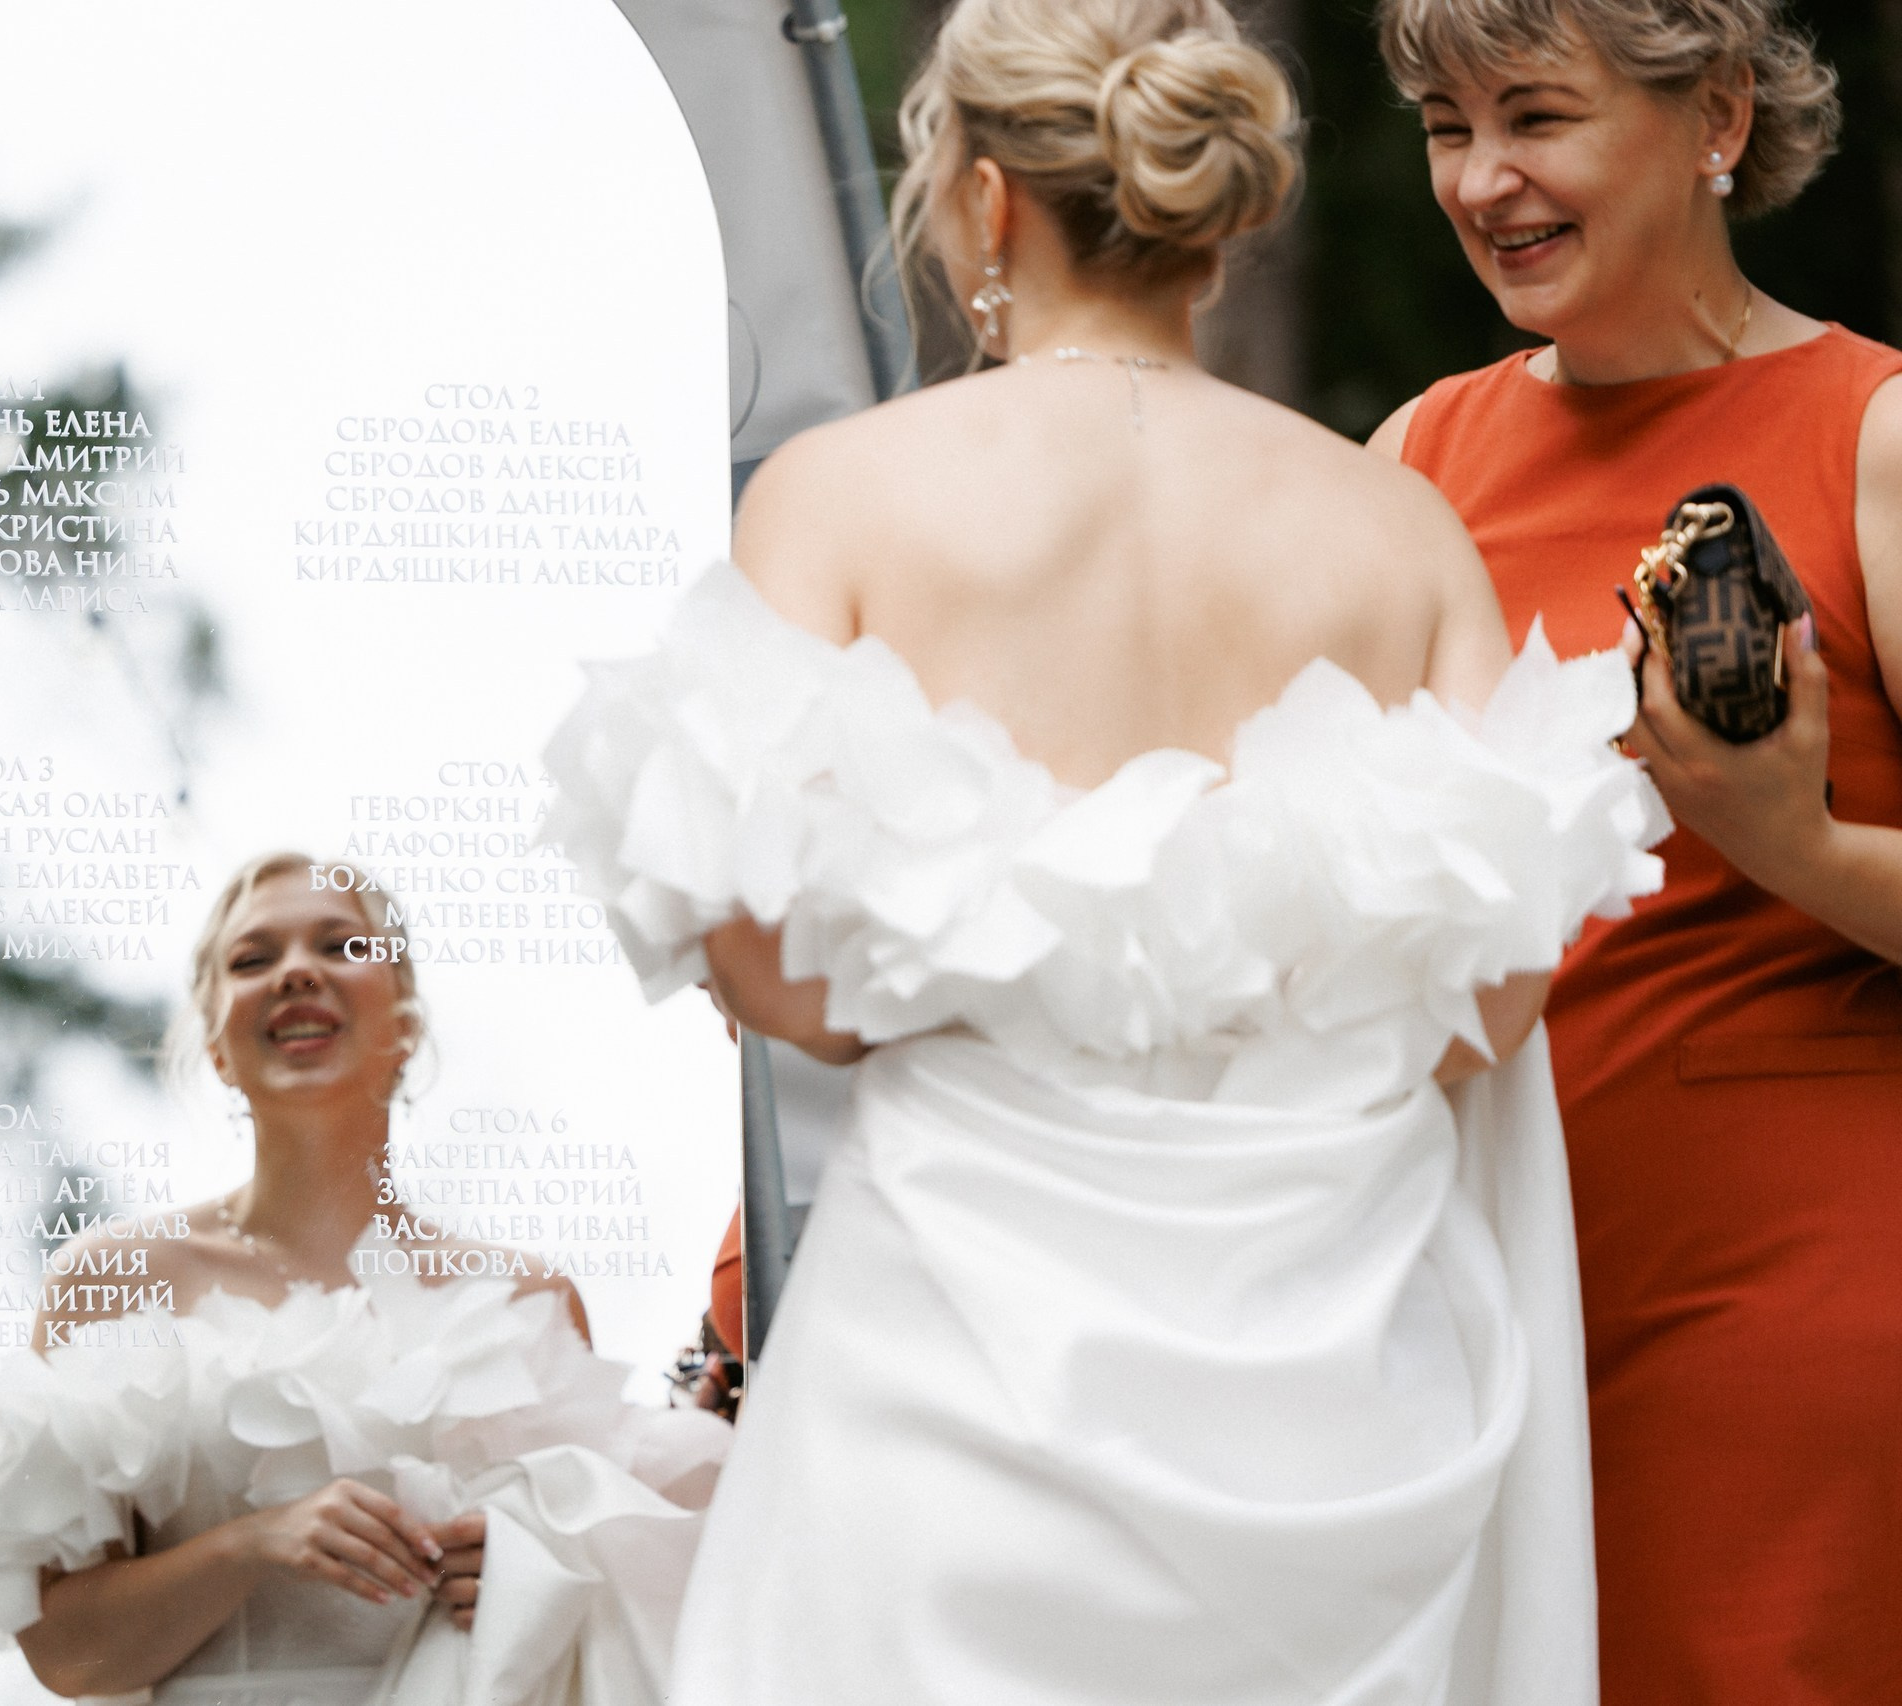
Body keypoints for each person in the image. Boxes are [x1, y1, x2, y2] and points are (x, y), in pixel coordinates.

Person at [540, 0, 1673, 1697]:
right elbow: (1481, 1018)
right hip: (1327, 1413)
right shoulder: (1398, 531)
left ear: (987, 201)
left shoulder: (838, 500)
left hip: (947, 1379)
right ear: (1218, 210)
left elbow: (786, 989)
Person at [1367, 0, 1902, 1694]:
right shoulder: (1417, 459)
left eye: (1537, 116)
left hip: (1790, 1321)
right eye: (1449, 128)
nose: (1483, 180)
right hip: (1480, 1321)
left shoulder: (1873, 437)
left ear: (1719, 114)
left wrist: (1791, 844)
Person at [0, 853, 728, 1706]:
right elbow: (66, 1657)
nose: (297, 972)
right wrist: (252, 1543)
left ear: (407, 1024)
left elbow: (602, 1614)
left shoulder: (529, 1302)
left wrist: (527, 1568)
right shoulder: (114, 1281)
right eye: (253, 960)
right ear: (215, 1044)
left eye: (342, 947)